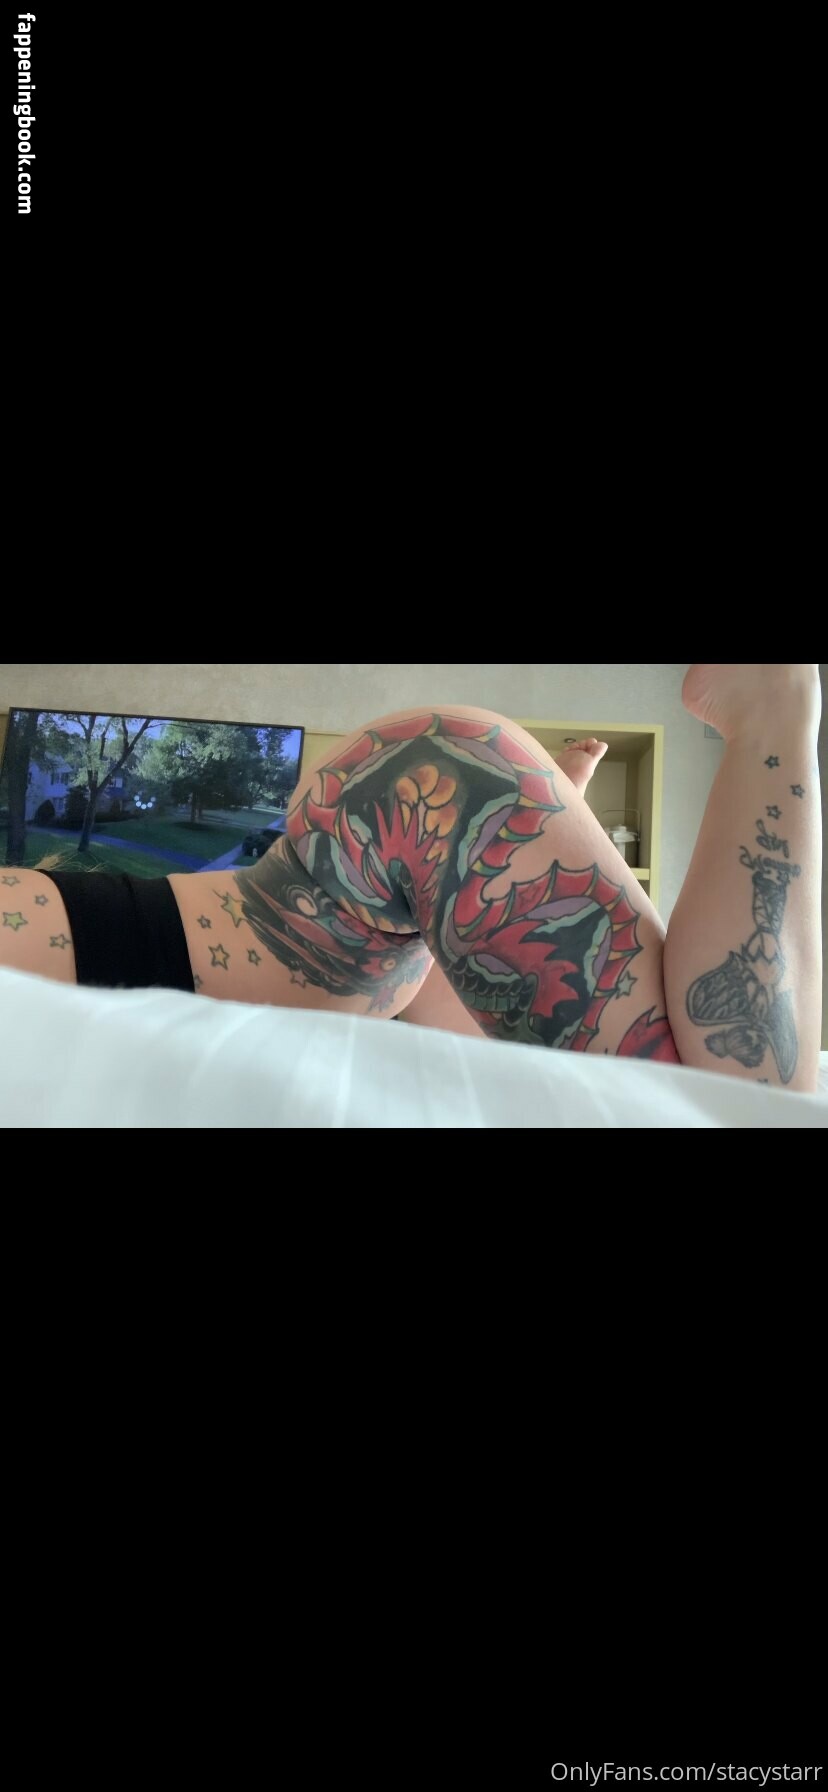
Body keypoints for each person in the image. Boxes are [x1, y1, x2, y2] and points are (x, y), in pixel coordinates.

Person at [0, 665, 822, 1092]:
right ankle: (534, 839)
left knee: (741, 1093)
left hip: (409, 817)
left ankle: (771, 708)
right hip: (370, 930)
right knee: (715, 1086)